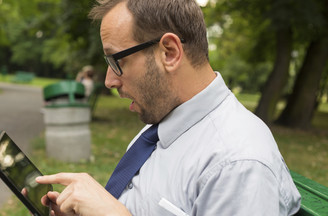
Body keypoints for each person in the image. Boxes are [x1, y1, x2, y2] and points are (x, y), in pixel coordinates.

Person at [36, 0, 301, 215]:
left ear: (170, 53)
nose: (109, 80)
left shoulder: (238, 165)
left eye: (117, 60)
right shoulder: (161, 125)